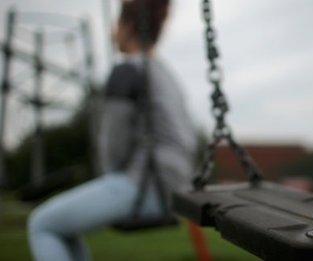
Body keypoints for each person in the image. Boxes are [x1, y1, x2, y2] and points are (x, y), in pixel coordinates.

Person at [28, 0, 198, 260]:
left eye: (116, 24)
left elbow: (113, 146)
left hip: (144, 186)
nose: (112, 32)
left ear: (128, 27)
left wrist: (109, 179)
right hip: (177, 188)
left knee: (42, 224)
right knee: (66, 229)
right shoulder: (166, 74)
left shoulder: (126, 71)